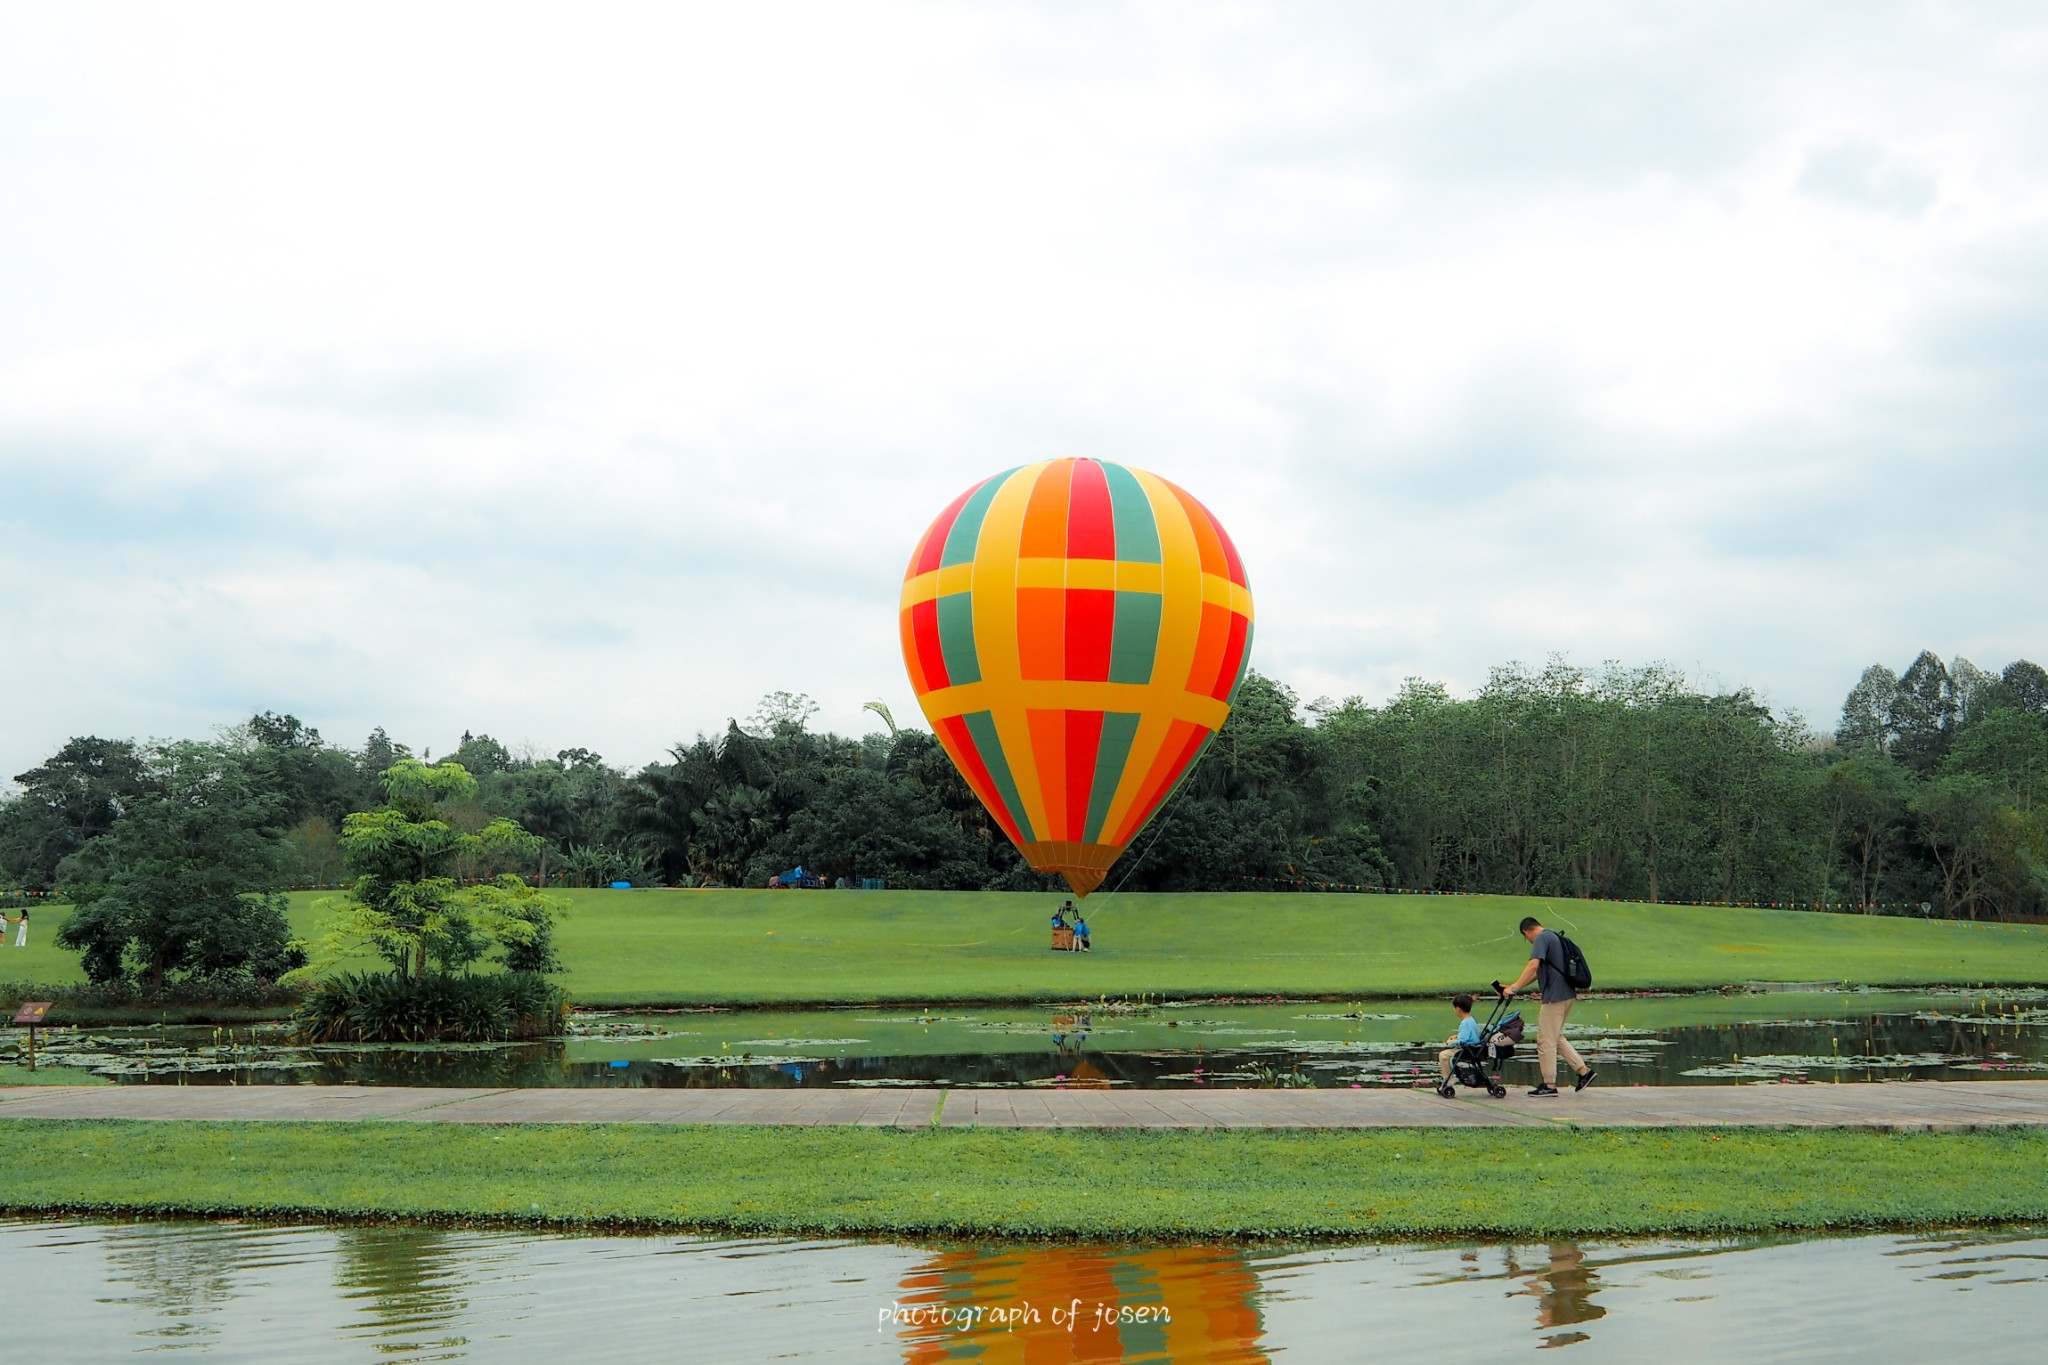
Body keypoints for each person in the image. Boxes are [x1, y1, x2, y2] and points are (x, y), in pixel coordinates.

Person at [1502, 916, 1594, 1096]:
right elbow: (1537, 972)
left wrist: (1514, 988)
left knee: (1545, 1039)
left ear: (1526, 932)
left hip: (1555, 997)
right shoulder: (1554, 936)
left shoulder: (1541, 938)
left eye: (1526, 938)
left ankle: (1549, 1085)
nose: (1528, 942)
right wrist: (1515, 986)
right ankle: (1584, 1072)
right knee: (1555, 1037)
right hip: (1567, 995)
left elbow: (1533, 964)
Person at [1438, 993, 1482, 1083]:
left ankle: (1447, 1079)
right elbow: (1467, 1035)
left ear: (1458, 1009)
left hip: (1467, 1050)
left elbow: (1462, 1041)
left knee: (1443, 1056)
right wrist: (1456, 1036)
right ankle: (1448, 1078)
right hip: (1473, 1048)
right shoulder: (1471, 1020)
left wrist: (1450, 1042)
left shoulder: (1465, 1023)